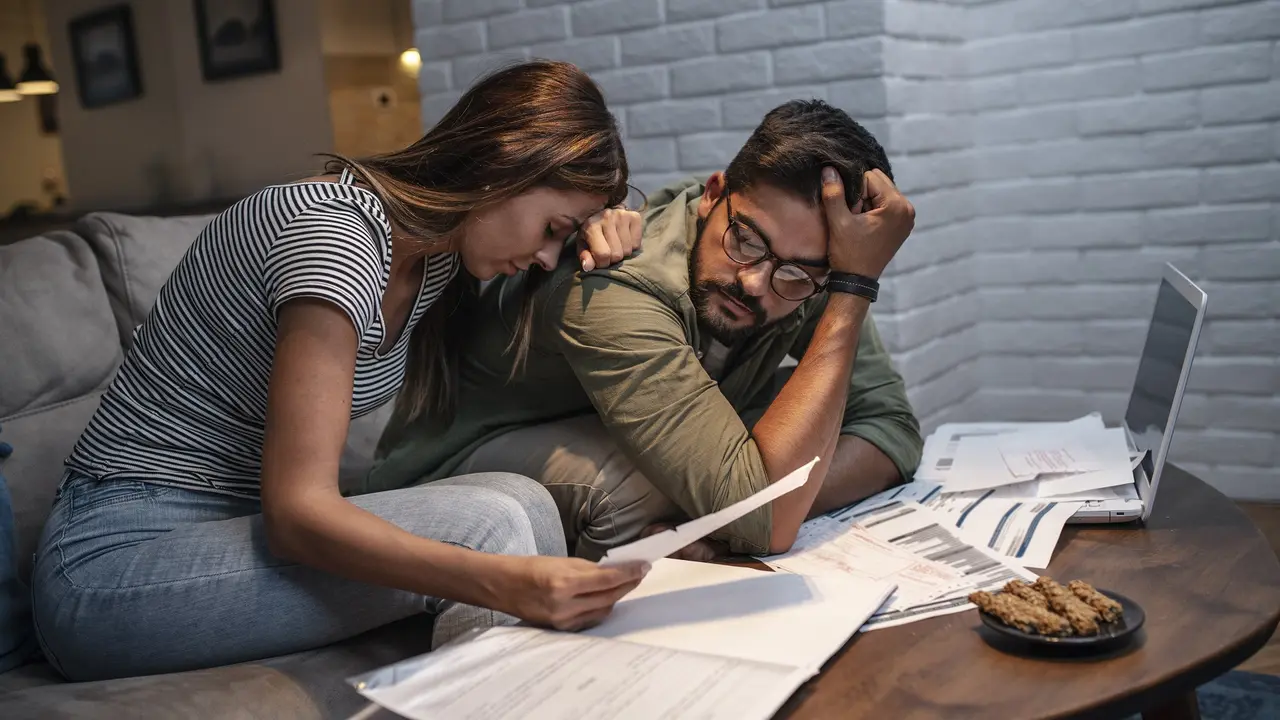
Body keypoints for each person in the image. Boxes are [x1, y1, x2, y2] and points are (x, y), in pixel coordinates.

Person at [30, 60, 651, 683]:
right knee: (490, 527)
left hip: (230, 534)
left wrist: (604, 226)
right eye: (552, 230)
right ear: (503, 163)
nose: (548, 256)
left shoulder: (431, 258)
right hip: (109, 565)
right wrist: (506, 582)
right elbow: (299, 515)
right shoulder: (333, 233)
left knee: (524, 500)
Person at [369, 100, 923, 561]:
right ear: (713, 194)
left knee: (791, 429)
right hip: (454, 463)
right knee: (644, 485)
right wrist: (745, 508)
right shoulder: (612, 282)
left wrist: (731, 511)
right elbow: (768, 521)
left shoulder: (813, 276)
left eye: (800, 273)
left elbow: (892, 430)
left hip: (599, 428)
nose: (755, 282)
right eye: (747, 241)